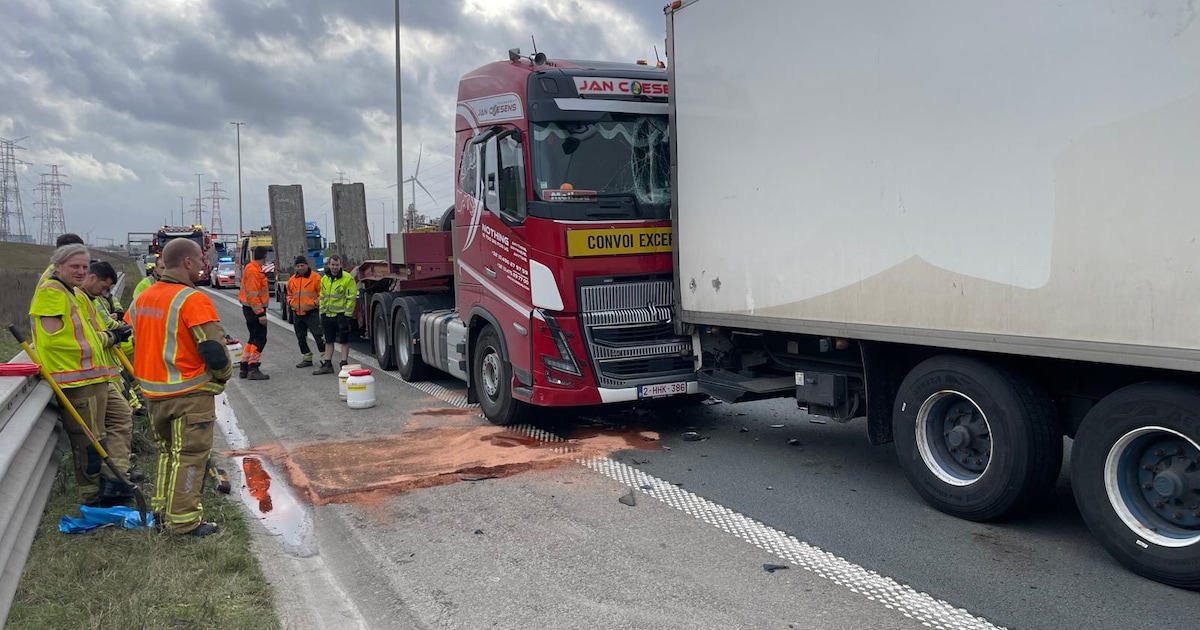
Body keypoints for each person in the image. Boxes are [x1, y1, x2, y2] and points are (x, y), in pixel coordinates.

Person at [128, 238, 232, 537]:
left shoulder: (144, 298)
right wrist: (223, 375)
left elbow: (133, 334)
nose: (203, 265)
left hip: (154, 393)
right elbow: (213, 349)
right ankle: (185, 521)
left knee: (168, 454)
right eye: (200, 260)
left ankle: (163, 512)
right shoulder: (192, 299)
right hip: (189, 395)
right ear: (187, 262)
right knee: (190, 457)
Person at [29, 244, 135, 508]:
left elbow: (87, 331)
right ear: (58, 265)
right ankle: (92, 497)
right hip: (75, 378)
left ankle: (115, 481)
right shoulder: (52, 293)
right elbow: (57, 341)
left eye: (84, 267)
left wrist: (106, 338)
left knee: (120, 418)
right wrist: (107, 339)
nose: (80, 271)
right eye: (74, 266)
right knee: (89, 442)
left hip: (96, 375)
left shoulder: (73, 293)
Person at [312, 254, 356, 375]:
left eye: (337, 265)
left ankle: (343, 363)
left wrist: (347, 315)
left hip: (341, 315)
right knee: (328, 340)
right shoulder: (325, 278)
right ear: (328, 265)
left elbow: (351, 298)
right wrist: (322, 312)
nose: (335, 267)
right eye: (332, 265)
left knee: (344, 340)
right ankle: (327, 364)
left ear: (340, 265)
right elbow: (323, 296)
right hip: (327, 315)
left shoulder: (348, 278)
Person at [286, 255, 325, 368]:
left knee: (319, 336)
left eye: (302, 265)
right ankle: (306, 358)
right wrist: (290, 303)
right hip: (297, 313)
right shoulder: (292, 280)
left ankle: (324, 358)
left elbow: (322, 294)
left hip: (311, 312)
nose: (300, 268)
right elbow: (289, 294)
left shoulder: (316, 278)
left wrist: (315, 303)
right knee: (301, 337)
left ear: (307, 265)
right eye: (298, 266)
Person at [238, 246, 270, 380]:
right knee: (260, 338)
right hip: (254, 310)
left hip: (250, 309)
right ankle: (253, 367)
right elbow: (253, 295)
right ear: (264, 256)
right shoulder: (253, 271)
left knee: (253, 338)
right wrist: (260, 314)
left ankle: (245, 366)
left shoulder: (252, 269)